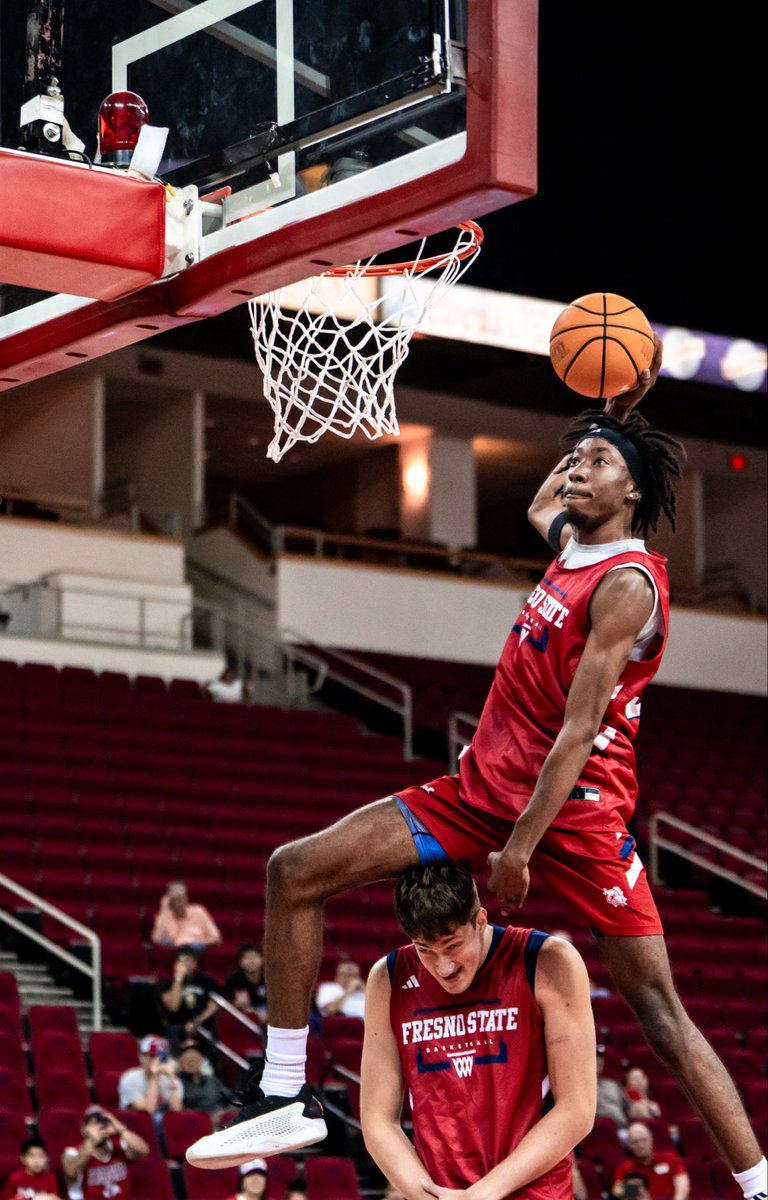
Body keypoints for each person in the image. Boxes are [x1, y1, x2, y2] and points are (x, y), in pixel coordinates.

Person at [185, 348, 767, 1200]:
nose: (576, 469)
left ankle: (758, 1184)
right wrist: (613, 419)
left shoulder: (626, 588)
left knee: (658, 1009)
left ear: (634, 493)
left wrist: (520, 850)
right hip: (479, 792)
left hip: (572, 810)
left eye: (597, 463)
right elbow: (542, 500)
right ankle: (284, 1094)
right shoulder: (572, 543)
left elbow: (577, 734)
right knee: (293, 871)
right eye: (575, 457)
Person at [360, 863, 596, 1196]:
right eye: (424, 950)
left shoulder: (546, 960)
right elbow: (377, 1121)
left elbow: (577, 1109)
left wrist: (481, 1194)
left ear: (481, 920)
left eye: (452, 945)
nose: (443, 966)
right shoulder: (389, 977)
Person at [62, 1106, 149, 1199]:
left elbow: (143, 1152)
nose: (100, 1126)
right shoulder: (73, 1152)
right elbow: (71, 1173)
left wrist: (121, 1130)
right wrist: (91, 1142)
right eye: (93, 1123)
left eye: (102, 1121)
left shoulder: (119, 1146)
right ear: (83, 1129)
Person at [158, 946, 219, 1054]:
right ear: (176, 964)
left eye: (191, 961)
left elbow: (213, 1006)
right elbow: (173, 1007)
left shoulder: (205, 980)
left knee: (212, 1033)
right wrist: (178, 977)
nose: (188, 964)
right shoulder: (166, 984)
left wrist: (197, 1022)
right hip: (177, 1025)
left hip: (201, 1023)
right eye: (184, 961)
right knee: (173, 1032)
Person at [612, 1122, 689, 1200]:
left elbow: (683, 1186)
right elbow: (617, 1191)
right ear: (629, 1146)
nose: (640, 1145)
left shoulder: (671, 1159)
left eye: (643, 1140)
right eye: (635, 1142)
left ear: (651, 1140)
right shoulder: (625, 1168)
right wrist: (632, 1191)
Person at [118, 1035, 184, 1114]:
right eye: (152, 1056)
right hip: (136, 1119)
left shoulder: (174, 1081)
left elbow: (176, 1110)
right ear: (141, 1057)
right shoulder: (130, 1078)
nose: (157, 1061)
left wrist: (171, 1078)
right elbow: (148, 1111)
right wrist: (154, 1077)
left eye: (161, 1056)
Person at [151, 880, 222, 951]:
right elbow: (156, 939)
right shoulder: (164, 915)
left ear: (187, 898)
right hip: (175, 952)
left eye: (181, 897)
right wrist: (164, 910)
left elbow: (216, 938)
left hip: (194, 951)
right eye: (175, 898)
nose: (179, 902)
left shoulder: (198, 911)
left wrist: (199, 943)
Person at [177, 1036, 231, 1126]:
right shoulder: (176, 1083)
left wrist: (224, 1113)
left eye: (194, 1056)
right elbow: (178, 1110)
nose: (191, 1061)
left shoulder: (213, 1081)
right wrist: (206, 1118)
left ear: (201, 1059)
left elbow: (232, 1099)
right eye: (187, 1057)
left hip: (223, 1122)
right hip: (196, 1125)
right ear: (179, 1061)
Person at [223, 944, 268, 1024]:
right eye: (247, 958)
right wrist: (257, 1013)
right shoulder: (235, 979)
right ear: (240, 962)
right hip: (248, 1018)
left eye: (254, 957)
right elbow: (242, 1004)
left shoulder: (270, 978)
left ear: (262, 959)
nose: (251, 961)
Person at [596, 1044, 630, 1130]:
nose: (599, 1062)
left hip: (621, 1126)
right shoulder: (582, 1086)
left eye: (601, 1059)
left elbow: (628, 1105)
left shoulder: (613, 1084)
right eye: (596, 1058)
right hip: (600, 1129)